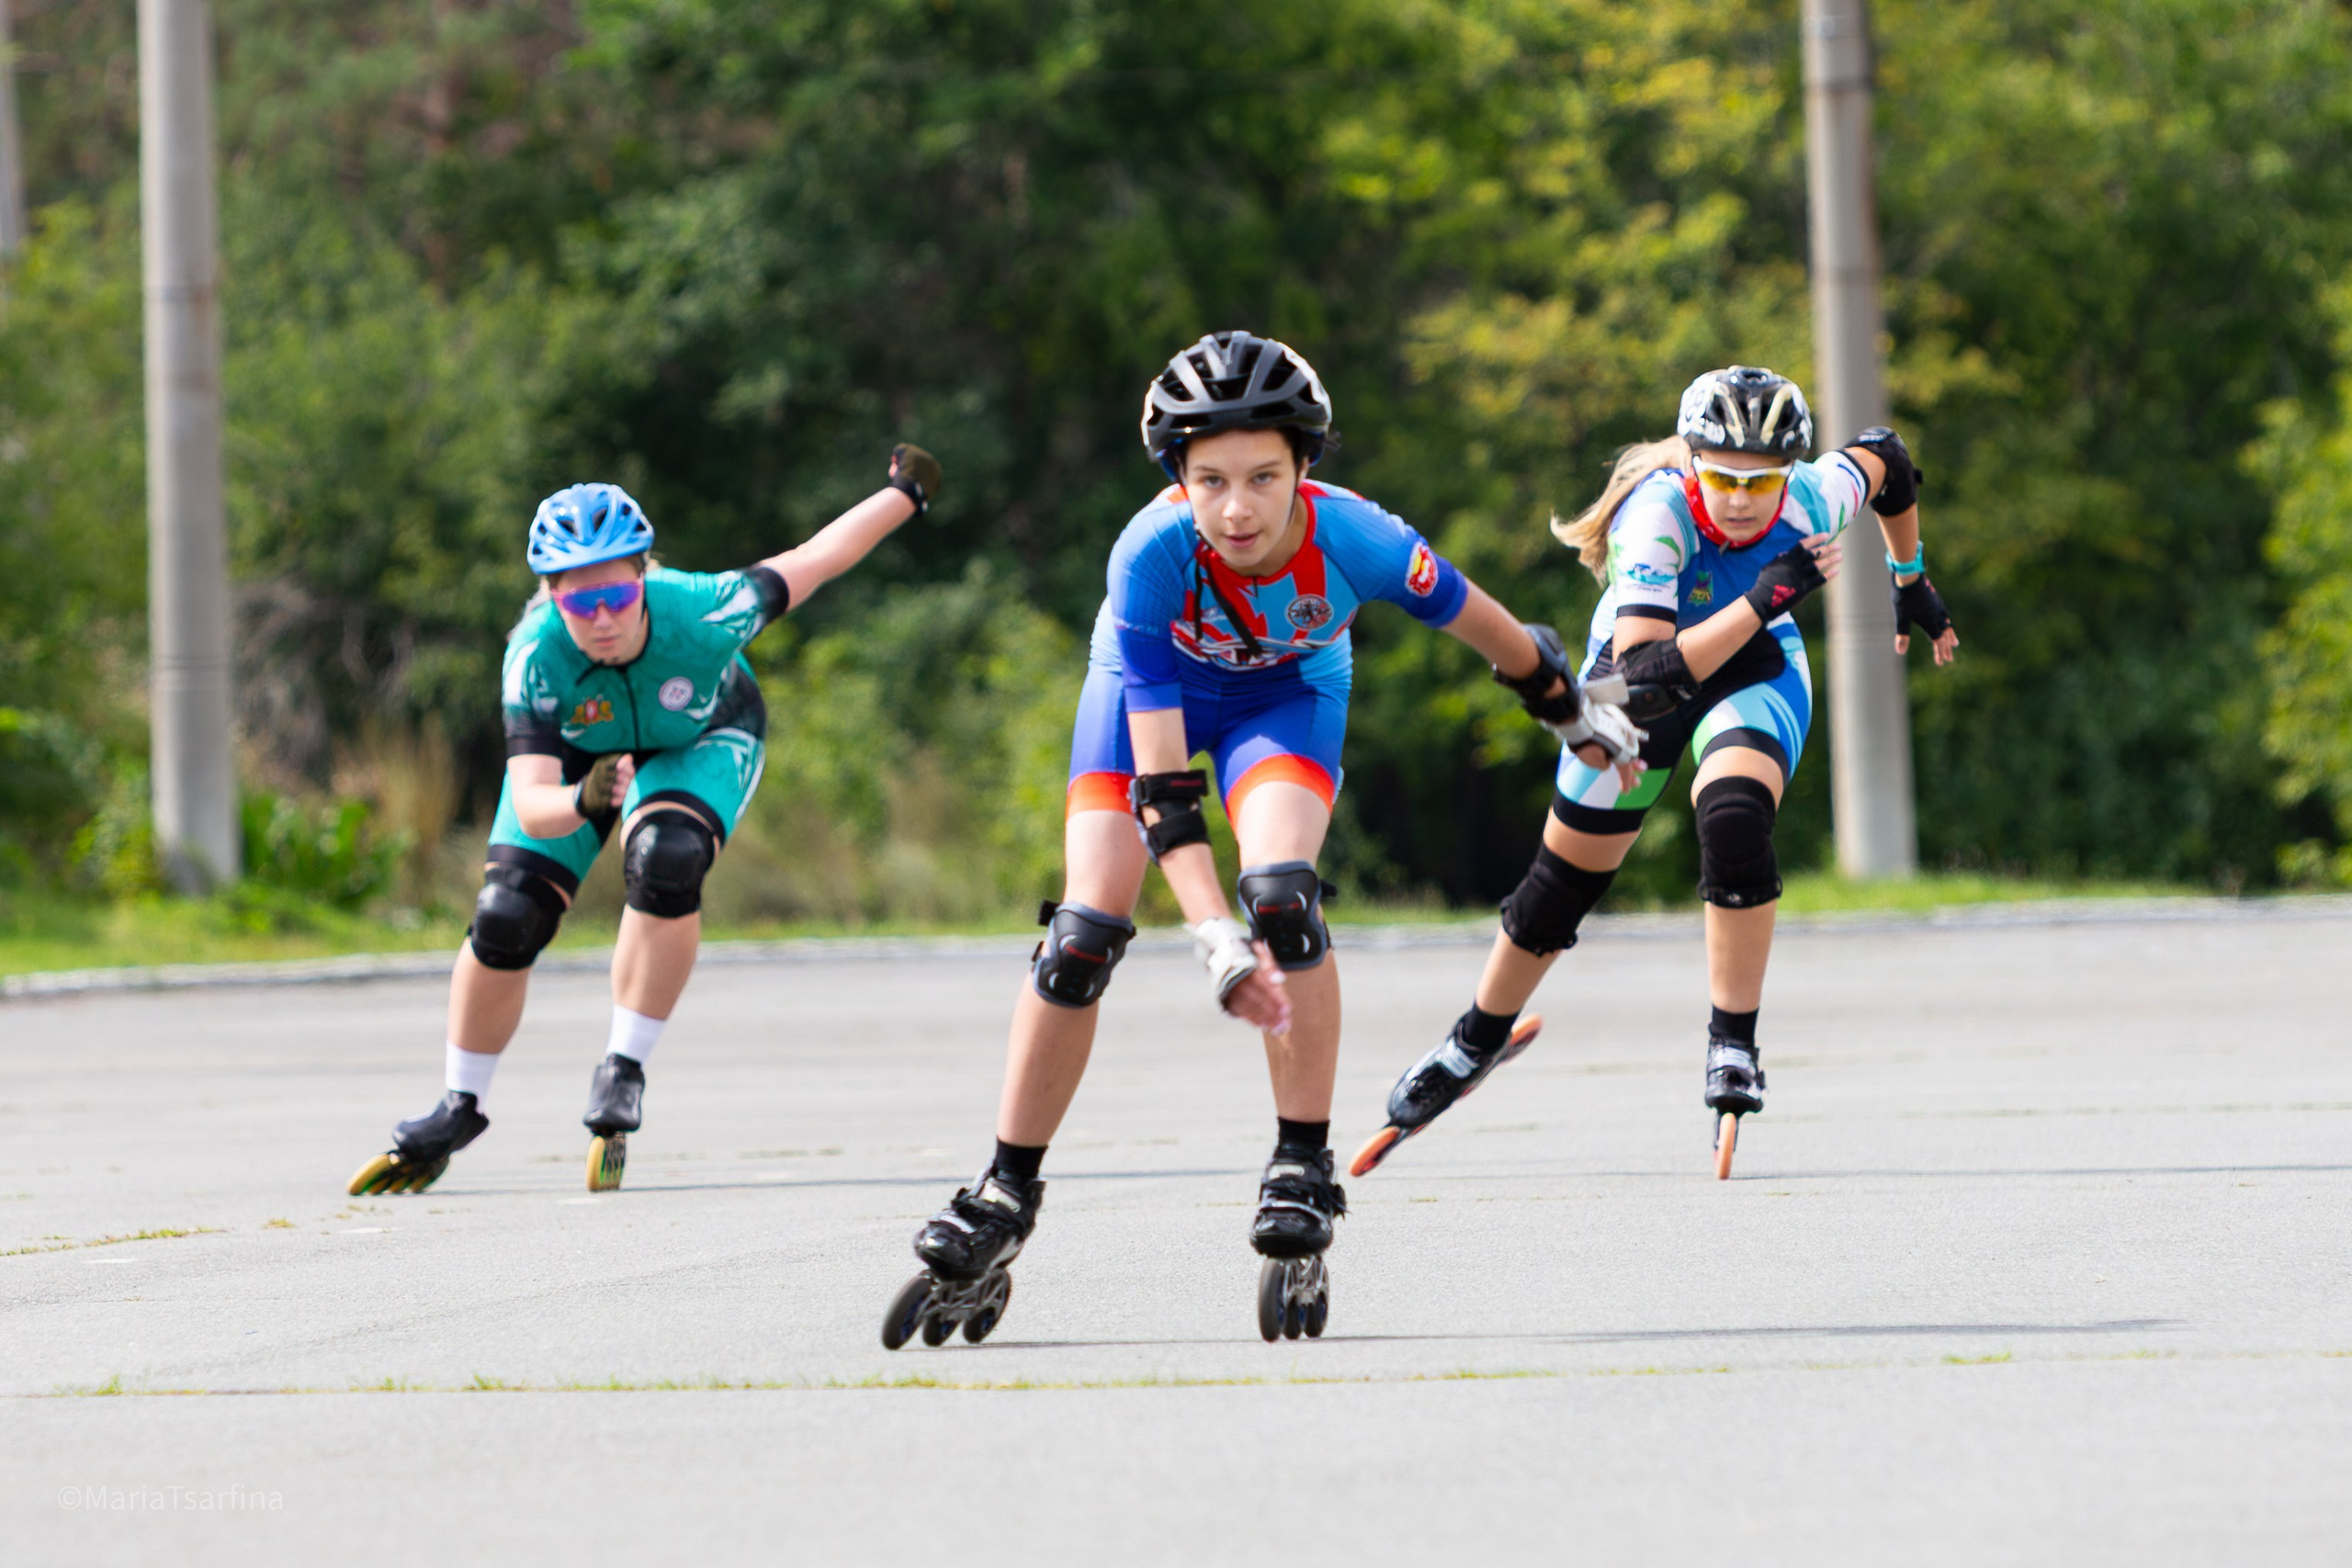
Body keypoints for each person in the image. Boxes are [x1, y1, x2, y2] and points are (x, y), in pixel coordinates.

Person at [879, 332, 1635, 1348]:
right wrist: (1207, 937)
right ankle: (1007, 1188)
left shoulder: (1357, 540)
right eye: (1210, 481)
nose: (1236, 508)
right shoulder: (1145, 559)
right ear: (1175, 480)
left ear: (1304, 470)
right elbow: (1163, 795)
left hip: (1284, 695)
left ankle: (1301, 1164)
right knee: (1083, 933)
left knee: (1280, 894)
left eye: (1263, 478)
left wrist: (1563, 708)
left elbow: (1493, 633)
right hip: (1150, 702)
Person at [1357, 366, 1960, 1180]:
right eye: (1723, 477)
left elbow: (1887, 457)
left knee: (1737, 820)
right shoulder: (1659, 513)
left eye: (1763, 482)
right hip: (1638, 683)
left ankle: (1733, 1044)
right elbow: (1646, 678)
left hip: (1753, 669)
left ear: (1790, 473)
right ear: (1692, 462)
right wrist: (1768, 596)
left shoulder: (1813, 498)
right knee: (1560, 887)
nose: (1744, 500)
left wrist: (1910, 576)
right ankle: (1475, 1040)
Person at [348, 445, 941, 1196]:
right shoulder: (533, 656)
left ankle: (623, 1066)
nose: (600, 620)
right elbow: (532, 799)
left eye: (618, 599)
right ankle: (459, 1103)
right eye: (577, 604)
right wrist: (586, 799)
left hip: (702, 734)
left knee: (666, 857)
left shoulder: (705, 607)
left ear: (643, 577)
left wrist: (905, 495)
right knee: (506, 913)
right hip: (576, 758)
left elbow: (818, 557)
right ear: (549, 597)